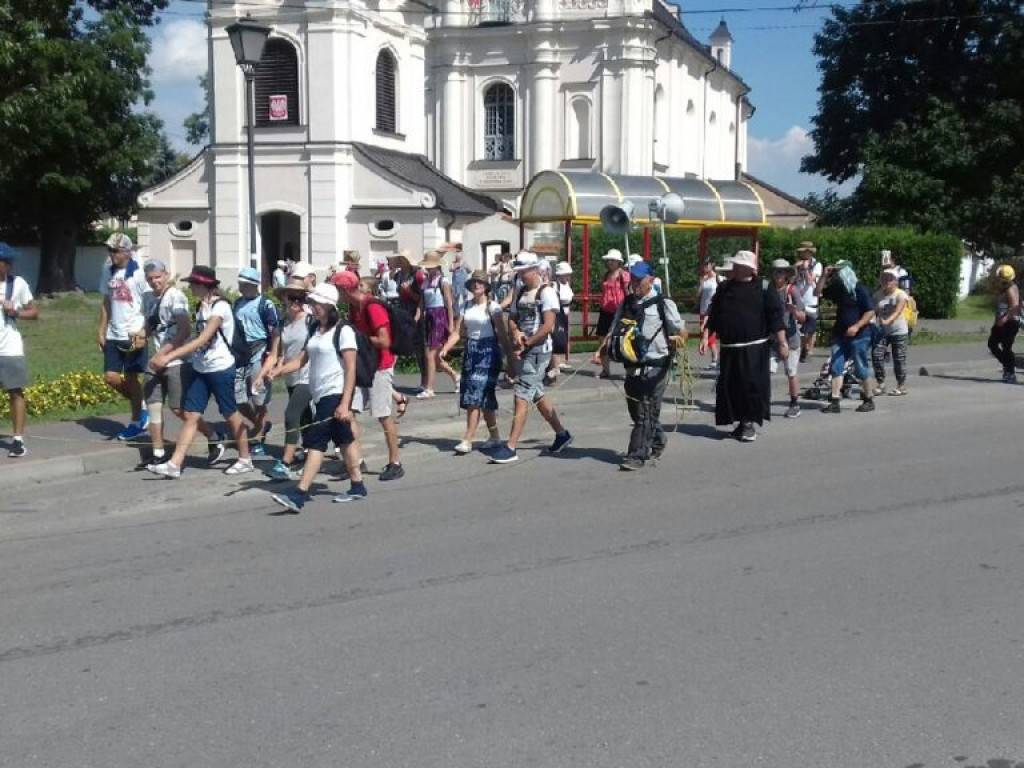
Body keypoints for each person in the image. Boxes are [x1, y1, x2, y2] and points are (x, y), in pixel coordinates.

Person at [146, 266, 253, 478]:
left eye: (194, 283)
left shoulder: (220, 307)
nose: (191, 286)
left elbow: (203, 338)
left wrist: (169, 356)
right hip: (201, 368)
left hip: (221, 367)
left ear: (205, 285)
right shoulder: (201, 306)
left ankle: (245, 458)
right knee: (191, 415)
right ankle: (175, 464)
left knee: (230, 413)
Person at [269, 283, 365, 512]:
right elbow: (302, 359)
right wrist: (278, 371)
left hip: (335, 392)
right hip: (319, 394)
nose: (312, 306)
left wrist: (345, 403)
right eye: (312, 302)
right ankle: (358, 485)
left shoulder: (344, 331)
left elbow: (351, 369)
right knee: (344, 439)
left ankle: (299, 494)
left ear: (329, 306)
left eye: (317, 303)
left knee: (315, 441)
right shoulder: (314, 329)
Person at [592, 261, 684, 469]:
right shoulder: (626, 303)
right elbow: (613, 329)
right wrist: (601, 351)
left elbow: (680, 330)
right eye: (632, 279)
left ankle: (636, 455)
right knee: (638, 411)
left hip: (656, 367)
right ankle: (658, 439)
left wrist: (677, 339)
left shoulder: (663, 304)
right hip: (632, 367)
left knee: (644, 411)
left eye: (638, 279)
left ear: (650, 280)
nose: (634, 283)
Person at [488, 251, 573, 464]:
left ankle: (511, 446)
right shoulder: (520, 291)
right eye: (519, 272)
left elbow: (547, 326)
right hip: (524, 348)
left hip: (539, 350)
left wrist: (528, 341)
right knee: (536, 393)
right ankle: (561, 434)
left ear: (535, 270)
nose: (521, 276)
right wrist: (516, 333)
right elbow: (513, 319)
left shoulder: (546, 293)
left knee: (522, 393)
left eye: (524, 272)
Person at [140, 259, 222, 468]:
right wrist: (141, 336)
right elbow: (151, 324)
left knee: (178, 409)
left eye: (157, 277)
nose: (154, 282)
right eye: (150, 279)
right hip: (155, 360)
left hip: (176, 361)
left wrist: (165, 353)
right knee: (153, 406)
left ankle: (213, 435)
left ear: (166, 275)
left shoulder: (175, 296)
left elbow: (184, 329)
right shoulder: (148, 297)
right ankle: (158, 453)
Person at [332, 269, 406, 481]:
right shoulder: (355, 308)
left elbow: (384, 341)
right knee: (350, 412)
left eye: (338, 289)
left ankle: (395, 462)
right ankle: (356, 461)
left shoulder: (372, 307)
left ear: (345, 289)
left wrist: (359, 338)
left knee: (383, 415)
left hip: (380, 366)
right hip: (364, 364)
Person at [706, 250, 787, 442]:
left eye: (738, 265)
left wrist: (782, 343)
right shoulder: (725, 288)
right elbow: (715, 314)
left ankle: (749, 422)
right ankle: (741, 422)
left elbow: (776, 318)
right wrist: (706, 336)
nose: (734, 268)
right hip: (730, 348)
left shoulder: (764, 288)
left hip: (754, 349)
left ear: (748, 269)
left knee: (750, 386)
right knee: (732, 387)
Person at [440, 270, 510, 454]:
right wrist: (446, 347)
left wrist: (510, 358)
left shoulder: (493, 307)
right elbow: (458, 332)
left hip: (488, 352)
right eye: (473, 282)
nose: (476, 285)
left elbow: (502, 334)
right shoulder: (467, 306)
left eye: (480, 282)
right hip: (471, 351)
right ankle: (495, 437)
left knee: (474, 396)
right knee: (484, 398)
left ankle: (467, 439)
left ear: (486, 286)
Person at [97, 233, 150, 441]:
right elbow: (106, 302)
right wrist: (101, 330)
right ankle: (142, 406)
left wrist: (144, 332)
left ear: (127, 253)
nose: (111, 255)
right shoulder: (107, 270)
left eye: (115, 251)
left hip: (134, 332)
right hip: (114, 332)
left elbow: (148, 306)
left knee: (131, 378)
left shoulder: (139, 274)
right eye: (109, 250)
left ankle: (136, 421)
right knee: (111, 377)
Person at [265, 276, 314, 481]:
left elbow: (305, 354)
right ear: (284, 299)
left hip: (308, 375)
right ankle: (312, 452)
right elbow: (276, 353)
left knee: (291, 415)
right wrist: (265, 373)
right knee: (305, 417)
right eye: (291, 298)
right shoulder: (284, 323)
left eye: (300, 298)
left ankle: (286, 461)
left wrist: (281, 369)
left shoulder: (311, 320)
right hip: (291, 377)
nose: (296, 302)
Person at [816, 259, 877, 413]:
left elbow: (870, 311)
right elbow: (817, 293)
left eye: (839, 271)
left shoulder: (860, 289)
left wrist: (857, 326)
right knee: (836, 365)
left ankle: (868, 398)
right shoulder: (838, 288)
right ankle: (835, 400)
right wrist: (824, 276)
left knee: (860, 366)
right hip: (840, 333)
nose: (837, 275)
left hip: (860, 335)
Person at [233, 266, 280, 456]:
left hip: (259, 352)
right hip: (240, 354)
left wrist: (274, 355)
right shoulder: (237, 303)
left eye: (245, 284)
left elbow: (275, 332)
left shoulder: (266, 305)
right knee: (238, 399)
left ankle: (258, 438)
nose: (241, 287)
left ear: (254, 285)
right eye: (240, 284)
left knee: (258, 399)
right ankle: (260, 425)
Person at [0, 243, 38, 458]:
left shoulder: (18, 284)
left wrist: (15, 312)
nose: (11, 265)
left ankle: (17, 440)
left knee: (15, 391)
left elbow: (34, 311)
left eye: (10, 262)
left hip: (10, 347)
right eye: (7, 262)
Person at [417, 251, 459, 398]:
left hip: (439, 316)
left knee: (430, 352)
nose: (428, 269)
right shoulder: (426, 282)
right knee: (434, 357)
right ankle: (456, 377)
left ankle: (429, 388)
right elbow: (421, 302)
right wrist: (417, 315)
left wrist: (451, 323)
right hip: (429, 315)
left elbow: (449, 302)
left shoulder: (443, 281)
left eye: (431, 266)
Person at [769, 259, 806, 419]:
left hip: (790, 338)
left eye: (782, 272)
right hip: (772, 338)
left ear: (786, 275)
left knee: (791, 371)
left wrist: (794, 312)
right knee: (766, 371)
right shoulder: (768, 290)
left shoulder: (792, 291)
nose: (778, 275)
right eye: (776, 271)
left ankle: (794, 403)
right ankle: (763, 401)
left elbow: (803, 317)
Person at [871, 268, 910, 396]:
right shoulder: (878, 295)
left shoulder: (901, 295)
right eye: (884, 278)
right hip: (882, 331)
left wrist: (888, 321)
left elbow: (898, 311)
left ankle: (901, 385)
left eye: (890, 279)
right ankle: (881, 384)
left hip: (898, 331)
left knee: (898, 358)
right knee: (876, 355)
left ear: (895, 281)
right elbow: (873, 310)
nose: (886, 281)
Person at [596, 249, 630, 378]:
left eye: (612, 260)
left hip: (619, 311)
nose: (609, 262)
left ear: (618, 262)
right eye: (608, 260)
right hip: (605, 311)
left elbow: (628, 292)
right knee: (602, 338)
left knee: (623, 340)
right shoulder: (606, 275)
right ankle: (606, 369)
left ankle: (628, 370)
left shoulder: (624, 275)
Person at [988, 264, 1019, 384]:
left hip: (1009, 323)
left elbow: (1014, 308)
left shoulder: (1011, 289)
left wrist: (1004, 320)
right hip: (1001, 323)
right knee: (992, 344)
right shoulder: (1006, 287)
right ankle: (1008, 366)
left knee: (1006, 348)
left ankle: (1010, 372)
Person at [794, 242, 823, 362]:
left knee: (810, 330)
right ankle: (804, 350)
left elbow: (810, 281)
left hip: (811, 300)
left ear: (809, 253)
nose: (802, 254)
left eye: (804, 252)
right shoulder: (798, 264)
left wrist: (806, 268)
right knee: (800, 328)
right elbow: (792, 280)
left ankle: (808, 350)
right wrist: (795, 269)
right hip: (800, 300)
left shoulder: (817, 265)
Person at [550, 261, 575, 374]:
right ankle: (554, 364)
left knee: (563, 338)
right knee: (556, 338)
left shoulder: (566, 284)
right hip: (557, 314)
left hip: (565, 314)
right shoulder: (555, 285)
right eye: (566, 274)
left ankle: (558, 362)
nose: (568, 276)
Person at [696, 259, 720, 368]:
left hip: (713, 311)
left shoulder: (718, 278)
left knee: (710, 337)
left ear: (712, 265)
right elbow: (698, 295)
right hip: (703, 309)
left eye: (707, 264)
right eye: (703, 264)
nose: (704, 267)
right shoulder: (704, 279)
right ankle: (714, 358)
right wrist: (701, 283)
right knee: (704, 335)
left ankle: (715, 359)